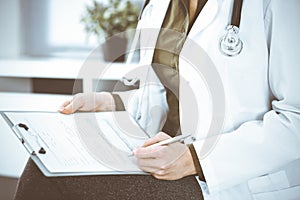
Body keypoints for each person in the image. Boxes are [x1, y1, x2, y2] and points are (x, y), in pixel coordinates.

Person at [14, 0, 300, 199]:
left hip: (233, 181)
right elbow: (165, 96)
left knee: (60, 183)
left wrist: (195, 159)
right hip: (163, 160)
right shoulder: (160, 5)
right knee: (45, 164)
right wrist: (108, 102)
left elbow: (295, 119)